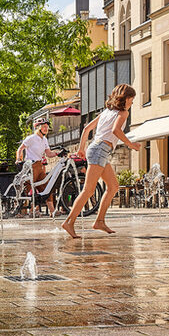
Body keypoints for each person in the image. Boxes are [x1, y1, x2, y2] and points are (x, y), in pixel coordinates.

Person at [62, 84, 140, 239]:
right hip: (100, 150)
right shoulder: (123, 113)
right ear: (126, 98)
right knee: (88, 190)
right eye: (131, 99)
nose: (132, 102)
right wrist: (131, 144)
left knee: (113, 186)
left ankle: (100, 221)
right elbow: (116, 131)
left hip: (98, 149)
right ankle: (69, 222)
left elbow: (86, 129)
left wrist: (82, 148)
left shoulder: (107, 111)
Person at [15, 118, 60, 216]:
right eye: (43, 127)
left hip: (39, 166)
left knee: (46, 187)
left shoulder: (44, 139)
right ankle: (20, 211)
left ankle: (52, 211)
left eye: (47, 128)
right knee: (26, 188)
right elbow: (20, 149)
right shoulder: (31, 138)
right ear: (38, 127)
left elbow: (48, 153)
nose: (45, 129)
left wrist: (57, 153)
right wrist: (18, 159)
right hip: (31, 165)